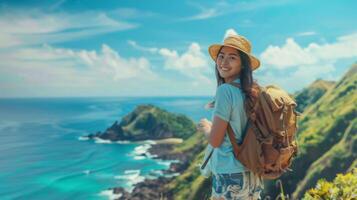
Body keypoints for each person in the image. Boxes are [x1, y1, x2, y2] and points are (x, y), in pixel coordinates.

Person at [197, 34, 264, 200]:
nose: (223, 62)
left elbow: (215, 141)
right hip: (253, 173)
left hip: (229, 175)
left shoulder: (225, 91)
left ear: (243, 65)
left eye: (232, 57)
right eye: (221, 56)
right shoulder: (254, 92)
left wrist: (207, 127)